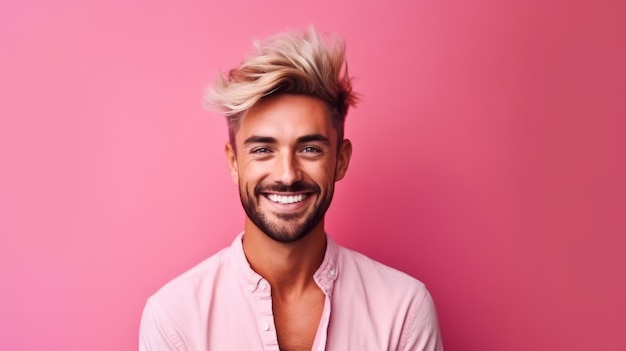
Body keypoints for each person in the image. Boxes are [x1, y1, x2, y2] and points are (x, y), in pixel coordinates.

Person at [139, 27, 443, 351]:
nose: (287, 175)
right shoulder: (175, 319)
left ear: (340, 161)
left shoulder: (404, 311)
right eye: (262, 150)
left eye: (310, 149)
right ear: (233, 162)